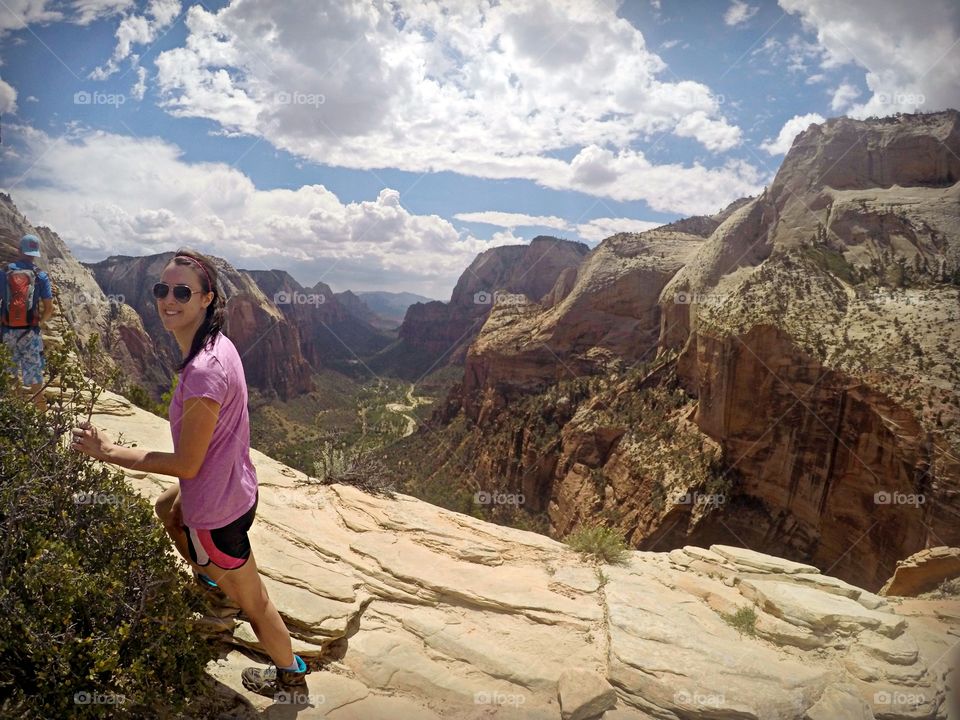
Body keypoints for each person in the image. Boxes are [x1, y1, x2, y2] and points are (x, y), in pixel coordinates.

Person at [70, 247, 310, 700]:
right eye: (162, 289)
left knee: (255, 604)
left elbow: (186, 465)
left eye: (183, 291)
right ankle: (212, 579)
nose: (169, 299)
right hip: (235, 489)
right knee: (168, 506)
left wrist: (108, 450)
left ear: (206, 299)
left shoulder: (203, 371)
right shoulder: (219, 346)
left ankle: (290, 677)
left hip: (217, 516)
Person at [1, 233, 54, 411]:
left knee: (10, 377)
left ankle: (15, 418)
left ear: (19, 250)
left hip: (8, 332)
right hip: (31, 333)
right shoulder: (41, 276)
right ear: (35, 253)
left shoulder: (5, 272)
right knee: (35, 380)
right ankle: (42, 421)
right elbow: (49, 308)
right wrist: (40, 323)